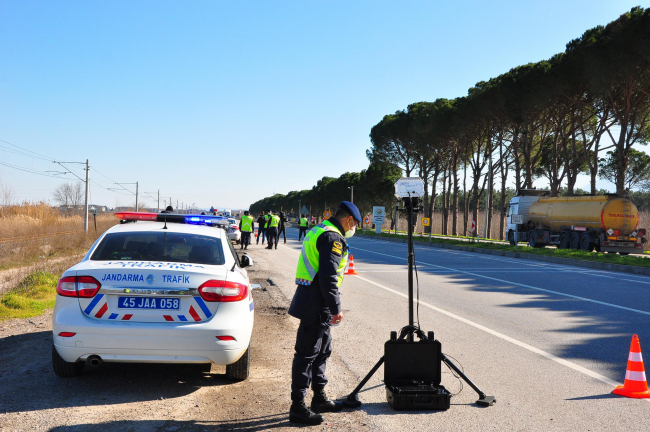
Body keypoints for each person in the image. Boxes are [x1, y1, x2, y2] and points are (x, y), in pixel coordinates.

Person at [288, 201, 361, 425]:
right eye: (355, 224)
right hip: (316, 304)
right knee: (307, 354)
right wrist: (336, 308)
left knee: (323, 351)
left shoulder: (318, 230)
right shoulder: (333, 238)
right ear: (349, 220)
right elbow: (328, 277)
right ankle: (298, 407)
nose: (354, 228)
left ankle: (319, 397)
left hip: (313, 300)